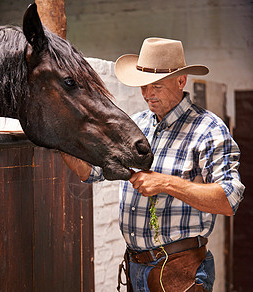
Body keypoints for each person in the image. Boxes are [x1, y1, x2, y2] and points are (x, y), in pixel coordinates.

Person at [62, 37, 245, 291]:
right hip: (135, 267)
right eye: (143, 87)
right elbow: (91, 172)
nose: (148, 94)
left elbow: (229, 198)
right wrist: (61, 140)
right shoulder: (136, 126)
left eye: (156, 86)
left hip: (181, 271)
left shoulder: (208, 129)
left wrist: (166, 183)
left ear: (181, 81)